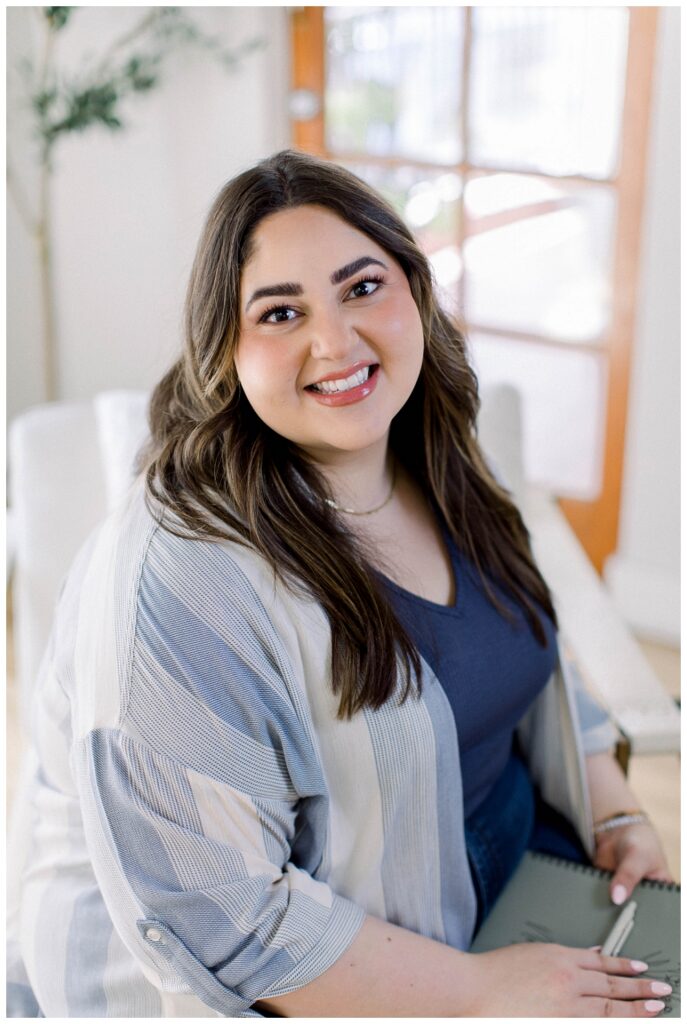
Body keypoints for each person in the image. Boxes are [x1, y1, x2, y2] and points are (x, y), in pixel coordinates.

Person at [8, 150, 673, 1018]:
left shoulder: (439, 454)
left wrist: (616, 813)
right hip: (321, 983)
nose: (335, 341)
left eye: (362, 287)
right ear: (225, 350)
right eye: (280, 312)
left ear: (414, 290)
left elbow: (534, 661)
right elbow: (225, 920)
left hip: (514, 883)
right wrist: (480, 992)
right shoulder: (178, 582)